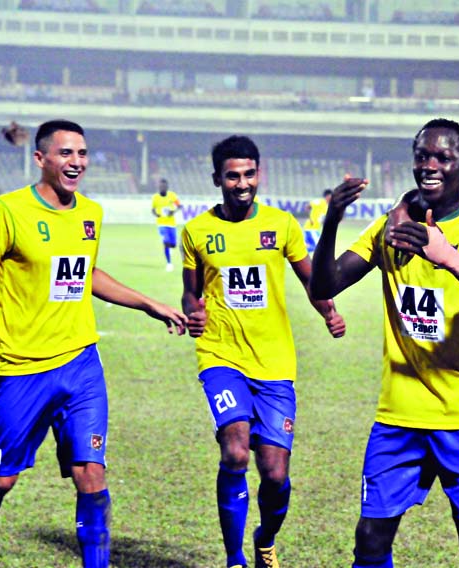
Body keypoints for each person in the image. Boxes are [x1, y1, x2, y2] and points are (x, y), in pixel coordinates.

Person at [309, 118, 459, 568]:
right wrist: (332, 218)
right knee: (370, 537)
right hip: (400, 413)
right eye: (422, 156)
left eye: (443, 158)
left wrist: (451, 260)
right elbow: (325, 283)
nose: (430, 165)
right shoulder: (390, 228)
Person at [0, 119, 188, 568]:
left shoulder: (90, 213)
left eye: (81, 153)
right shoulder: (7, 212)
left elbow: (86, 275)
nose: (75, 162)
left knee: (92, 475)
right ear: (40, 159)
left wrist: (147, 304)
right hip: (22, 369)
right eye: (65, 153)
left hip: (81, 364)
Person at [180, 135, 346, 568]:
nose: (241, 183)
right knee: (235, 450)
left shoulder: (282, 225)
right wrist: (193, 312)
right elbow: (189, 293)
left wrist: (328, 312)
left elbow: (312, 280)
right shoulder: (196, 232)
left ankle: (264, 538)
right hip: (221, 358)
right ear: (217, 178)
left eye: (249, 174)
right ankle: (235, 559)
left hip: (274, 364)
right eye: (232, 176)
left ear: (259, 174)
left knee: (275, 474)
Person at [151, 177, 181, 271]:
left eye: (164, 186)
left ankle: (170, 248)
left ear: (167, 187)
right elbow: (153, 209)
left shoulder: (172, 196)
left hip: (171, 224)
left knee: (173, 244)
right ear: (159, 187)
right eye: (161, 186)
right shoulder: (155, 197)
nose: (162, 188)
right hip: (161, 224)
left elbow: (179, 206)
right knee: (166, 242)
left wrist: (173, 211)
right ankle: (169, 263)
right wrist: (156, 214)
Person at [302, 188, 332, 254]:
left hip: (315, 229)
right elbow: (307, 207)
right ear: (327, 196)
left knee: (313, 246)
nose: (332, 198)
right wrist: (310, 218)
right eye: (331, 196)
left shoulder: (327, 206)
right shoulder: (320, 202)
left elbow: (322, 219)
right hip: (311, 228)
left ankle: (300, 254)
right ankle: (300, 252)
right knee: (319, 246)